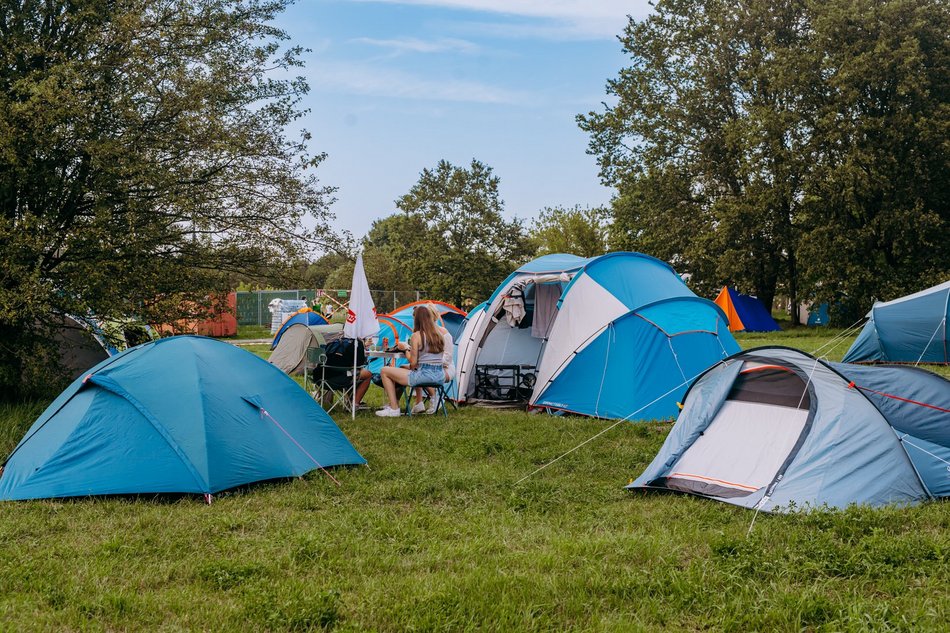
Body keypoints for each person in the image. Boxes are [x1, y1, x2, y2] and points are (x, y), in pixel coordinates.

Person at [376, 305, 446, 417]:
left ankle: (394, 408)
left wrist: (406, 349)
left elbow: (413, 364)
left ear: (417, 319)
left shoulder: (416, 336)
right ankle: (406, 404)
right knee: (402, 368)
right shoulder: (439, 335)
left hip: (423, 375)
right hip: (439, 376)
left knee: (385, 370)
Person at [410, 304, 455, 414]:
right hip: (430, 367)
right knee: (412, 368)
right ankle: (419, 402)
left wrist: (429, 361)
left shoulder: (443, 333)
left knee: (423, 370)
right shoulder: (422, 334)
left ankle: (435, 399)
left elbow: (447, 358)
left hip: (446, 368)